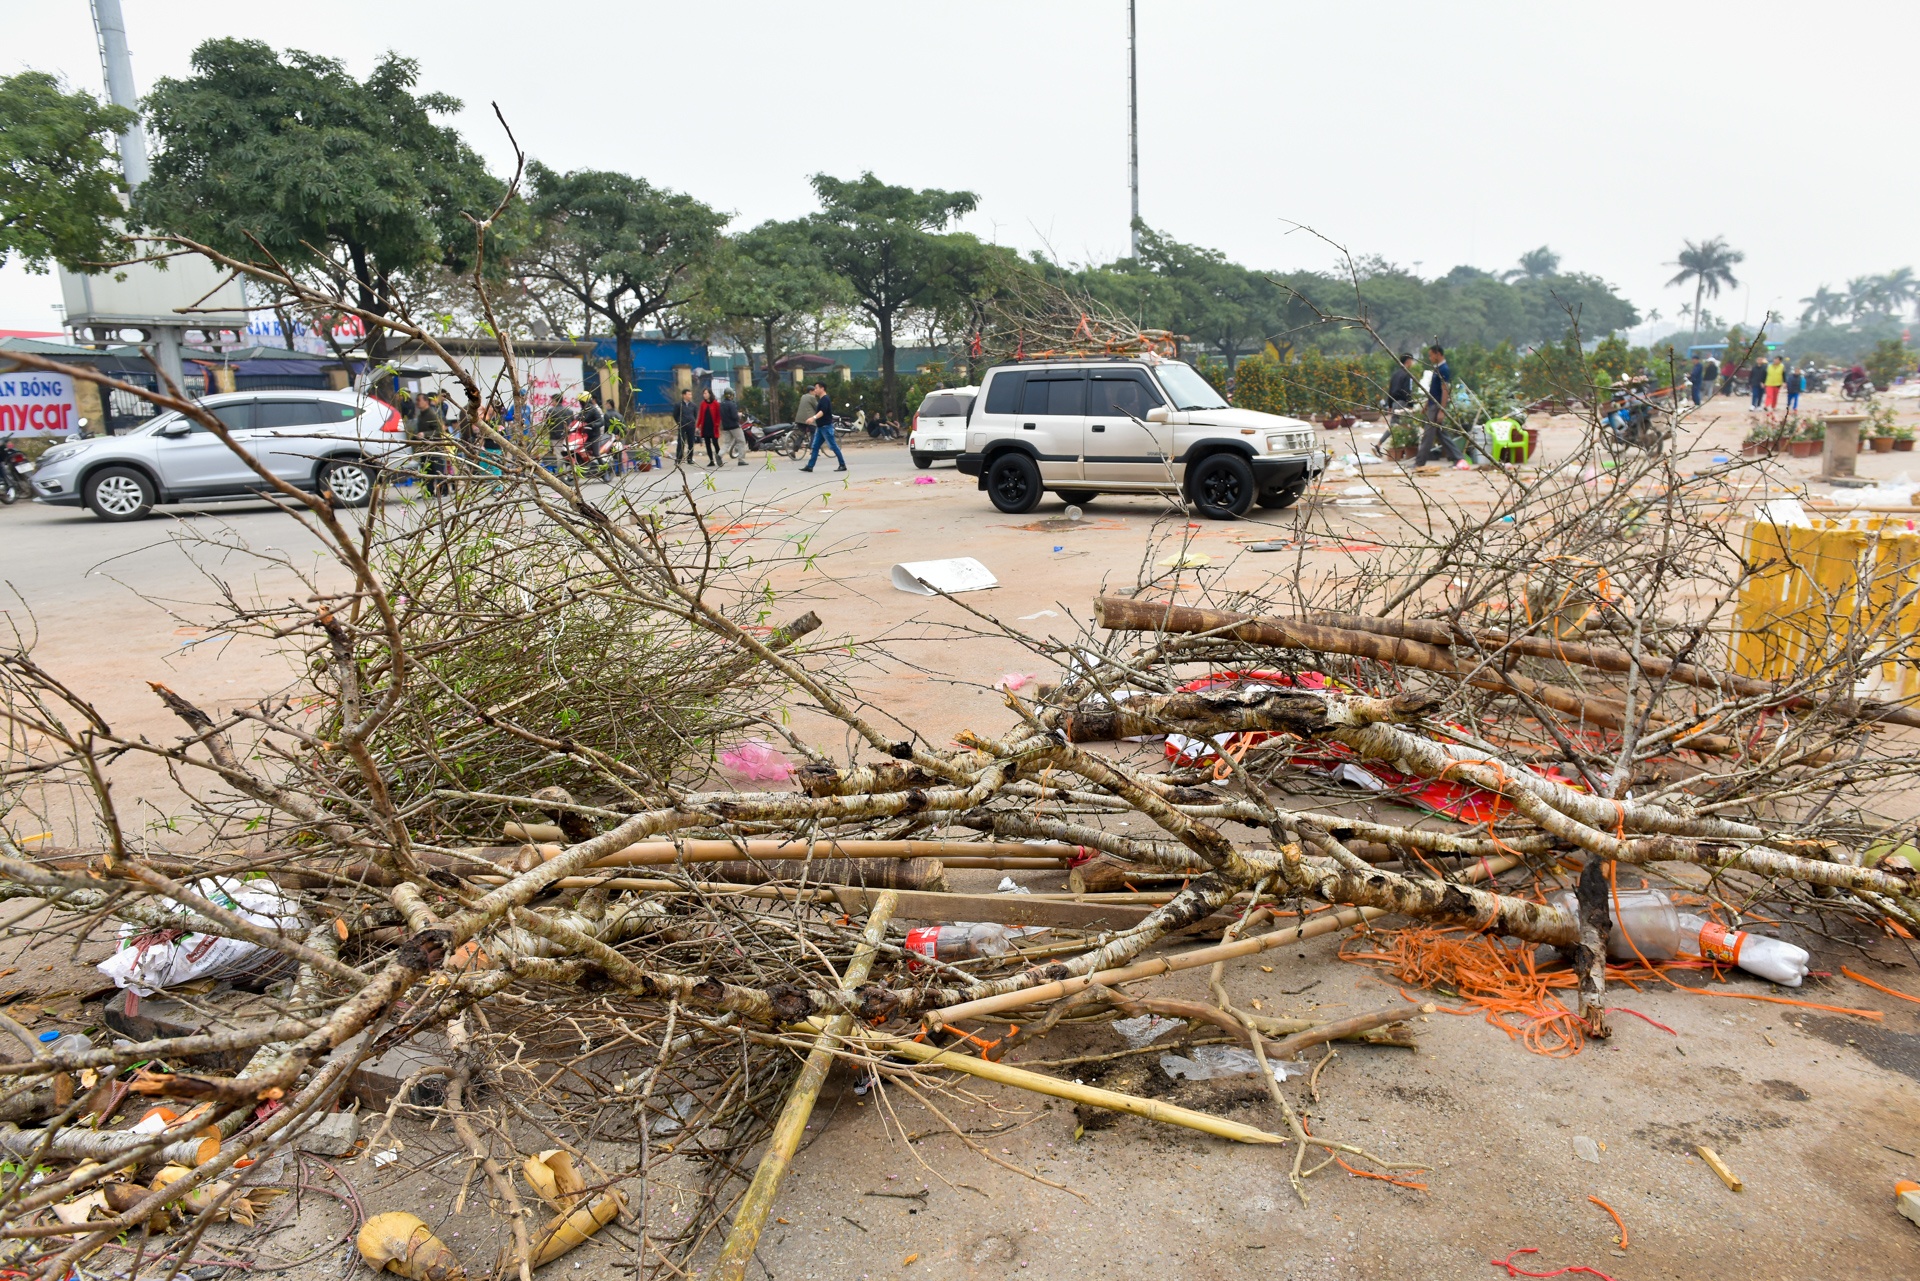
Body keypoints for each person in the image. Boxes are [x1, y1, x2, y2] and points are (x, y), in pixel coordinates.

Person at [1412, 345, 1461, 467]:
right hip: (1432, 405)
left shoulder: (1444, 369)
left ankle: (1419, 462)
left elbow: (1444, 391)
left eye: (1431, 355)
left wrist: (1441, 410)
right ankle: (1458, 458)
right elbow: (1433, 391)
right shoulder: (1437, 369)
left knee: (1428, 435)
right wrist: (1426, 404)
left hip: (1437, 407)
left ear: (1437, 354)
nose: (1429, 358)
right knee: (1441, 434)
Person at [411, 389, 452, 496]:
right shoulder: (421, 415)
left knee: (438, 471)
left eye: (419, 400)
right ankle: (429, 492)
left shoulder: (432, 414)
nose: (417, 402)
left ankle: (443, 491)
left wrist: (425, 434)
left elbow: (439, 431)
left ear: (426, 401)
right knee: (426, 471)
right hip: (425, 449)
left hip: (435, 448)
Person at [801, 379, 847, 472]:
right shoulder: (822, 399)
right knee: (815, 447)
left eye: (817, 388)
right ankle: (810, 466)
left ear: (822, 388)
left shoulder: (825, 399)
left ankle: (842, 465)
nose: (815, 390)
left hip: (826, 427)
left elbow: (822, 412)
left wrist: (813, 418)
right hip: (821, 427)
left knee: (833, 446)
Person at [1375, 353, 1416, 452]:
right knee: (1408, 425)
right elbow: (1408, 391)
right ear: (1408, 361)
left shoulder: (1395, 374)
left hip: (1394, 403)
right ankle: (1410, 447)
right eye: (1412, 360)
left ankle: (1380, 444)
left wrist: (1389, 405)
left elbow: (1390, 390)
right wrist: (1411, 405)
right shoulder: (1407, 375)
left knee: (1396, 425)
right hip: (1402, 403)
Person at [696, 388, 724, 466]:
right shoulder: (703, 404)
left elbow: (719, 415)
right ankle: (711, 460)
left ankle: (719, 459)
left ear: (710, 394)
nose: (704, 395)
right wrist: (698, 425)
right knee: (707, 444)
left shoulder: (716, 403)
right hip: (705, 426)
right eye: (703, 393)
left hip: (713, 427)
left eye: (706, 393)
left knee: (715, 443)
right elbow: (701, 415)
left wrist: (717, 424)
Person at [719, 389, 747, 465]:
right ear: (731, 395)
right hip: (734, 426)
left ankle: (720, 455)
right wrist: (739, 415)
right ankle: (741, 459)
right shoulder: (732, 404)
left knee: (727, 443)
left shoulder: (722, 404)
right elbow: (734, 416)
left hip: (725, 426)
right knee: (741, 441)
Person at [672, 388, 699, 464]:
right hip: (682, 426)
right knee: (681, 442)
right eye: (689, 394)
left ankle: (690, 458)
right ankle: (679, 458)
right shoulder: (678, 405)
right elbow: (675, 415)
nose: (690, 396)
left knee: (691, 442)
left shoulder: (693, 405)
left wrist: (693, 421)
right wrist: (679, 422)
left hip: (691, 426)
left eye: (691, 394)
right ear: (684, 395)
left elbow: (695, 415)